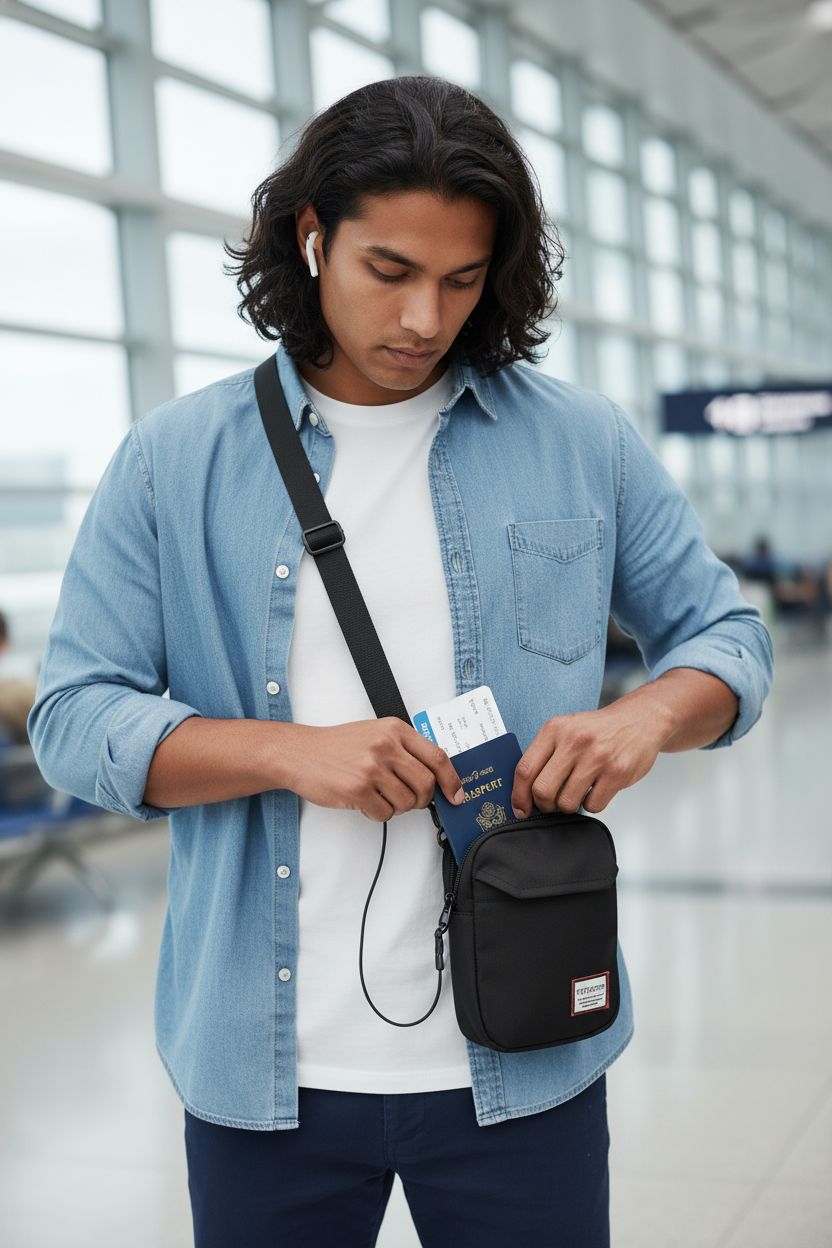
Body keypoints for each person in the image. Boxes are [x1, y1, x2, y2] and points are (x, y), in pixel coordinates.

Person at [27, 75, 774, 1247]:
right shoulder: (176, 460)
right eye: (390, 272)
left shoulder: (578, 441)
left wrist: (649, 718)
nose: (426, 317)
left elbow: (729, 639)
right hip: (264, 1068)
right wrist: (289, 754)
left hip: (527, 1057)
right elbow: (72, 718)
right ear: (312, 238)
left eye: (461, 279)